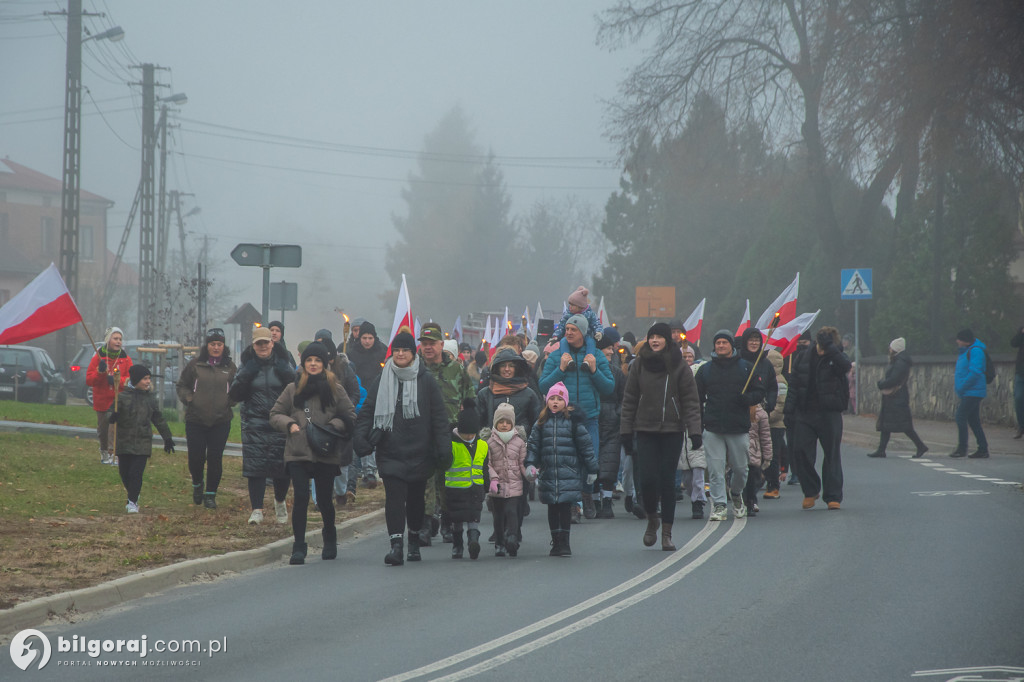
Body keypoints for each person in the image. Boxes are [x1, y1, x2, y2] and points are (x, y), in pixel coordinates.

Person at [354, 331, 449, 566]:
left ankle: (414, 539)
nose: (400, 354)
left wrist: (443, 448)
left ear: (412, 353)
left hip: (420, 451)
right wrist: (360, 438)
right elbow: (367, 411)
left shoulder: (425, 380)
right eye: (396, 351)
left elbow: (438, 417)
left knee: (416, 500)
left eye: (405, 350)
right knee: (394, 498)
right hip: (391, 450)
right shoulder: (382, 378)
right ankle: (396, 545)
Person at [270, 342, 357, 565]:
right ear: (303, 363)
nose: (313, 364)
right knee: (300, 498)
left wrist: (334, 426)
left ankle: (330, 539)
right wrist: (289, 424)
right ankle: (299, 546)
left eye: (317, 360)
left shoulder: (335, 388)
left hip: (325, 451)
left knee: (326, 501)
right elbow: (275, 413)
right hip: (298, 451)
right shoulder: (292, 388)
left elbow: (349, 414)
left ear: (325, 363)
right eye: (309, 360)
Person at [620, 322, 703, 549]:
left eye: (659, 337)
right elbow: (629, 400)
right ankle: (652, 518)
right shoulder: (639, 365)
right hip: (645, 429)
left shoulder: (679, 365)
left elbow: (691, 401)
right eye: (651, 337)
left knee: (667, 482)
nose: (655, 340)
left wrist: (695, 431)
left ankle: (667, 532)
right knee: (647, 480)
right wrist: (626, 431)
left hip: (671, 430)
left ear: (668, 340)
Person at [539, 314, 614, 522]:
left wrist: (594, 370)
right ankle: (573, 505)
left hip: (589, 418)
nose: (569, 332)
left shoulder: (596, 356)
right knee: (568, 463)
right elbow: (543, 386)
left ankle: (587, 494)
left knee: (590, 460)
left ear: (583, 332)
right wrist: (561, 369)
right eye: (567, 329)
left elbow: (609, 387)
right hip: (563, 419)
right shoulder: (556, 357)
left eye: (574, 329)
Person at [694, 330, 765, 521]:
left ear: (731, 345)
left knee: (741, 469)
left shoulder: (746, 368)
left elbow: (759, 392)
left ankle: (736, 494)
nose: (721, 346)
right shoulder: (705, 370)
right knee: (716, 471)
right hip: (713, 428)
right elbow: (696, 399)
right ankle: (719, 505)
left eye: (725, 342)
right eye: (718, 343)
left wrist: (747, 399)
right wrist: (699, 424)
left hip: (738, 427)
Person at [230, 326, 296, 525]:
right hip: (254, 423)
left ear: (272, 343)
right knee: (255, 468)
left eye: (266, 342)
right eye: (258, 343)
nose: (263, 347)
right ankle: (256, 510)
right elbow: (234, 396)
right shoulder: (246, 367)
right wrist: (245, 375)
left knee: (282, 468)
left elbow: (297, 392)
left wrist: (288, 373)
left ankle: (279, 502)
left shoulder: (284, 365)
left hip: (280, 422)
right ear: (253, 345)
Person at [524, 382, 598, 558]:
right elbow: (533, 446)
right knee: (552, 508)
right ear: (547, 402)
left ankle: (565, 541)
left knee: (564, 507)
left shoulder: (573, 424)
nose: (555, 402)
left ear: (566, 402)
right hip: (549, 473)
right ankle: (555, 540)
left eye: (559, 399)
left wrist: (592, 469)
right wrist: (530, 464)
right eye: (552, 399)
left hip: (568, 473)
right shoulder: (541, 423)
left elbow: (586, 447)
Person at [419, 323, 475, 544]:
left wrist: (468, 431)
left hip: (450, 433)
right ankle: (425, 524)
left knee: (447, 480)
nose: (428, 348)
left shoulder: (456, 369)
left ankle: (448, 524)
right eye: (424, 344)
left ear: (442, 344)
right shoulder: (416, 369)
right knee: (426, 481)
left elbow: (469, 399)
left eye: (432, 343)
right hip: (423, 432)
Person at [786, 326, 852, 510]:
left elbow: (845, 367)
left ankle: (833, 496)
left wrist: (830, 348)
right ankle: (811, 490)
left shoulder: (836, 356)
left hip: (829, 412)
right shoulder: (804, 356)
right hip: (805, 412)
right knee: (800, 451)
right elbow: (794, 383)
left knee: (831, 454)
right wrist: (789, 410)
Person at [177, 328, 237, 510]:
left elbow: (238, 388)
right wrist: (189, 399)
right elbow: (182, 385)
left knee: (215, 458)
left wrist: (231, 401)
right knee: (196, 458)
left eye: (219, 344)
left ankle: (210, 495)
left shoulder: (230, 367)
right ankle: (197, 484)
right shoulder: (195, 365)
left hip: (221, 420)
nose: (216, 347)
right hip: (196, 419)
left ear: (223, 346)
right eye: (213, 344)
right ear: (207, 345)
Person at [107, 365, 175, 513]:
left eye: (149, 379)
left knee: (136, 473)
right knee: (124, 473)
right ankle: (133, 494)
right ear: (136, 380)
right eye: (145, 379)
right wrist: (113, 417)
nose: (148, 382)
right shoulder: (122, 398)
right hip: (124, 441)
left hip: (143, 443)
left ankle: (132, 501)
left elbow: (158, 419)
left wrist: (167, 438)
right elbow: (110, 414)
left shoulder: (150, 399)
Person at [346, 320, 386, 502]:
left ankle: (372, 470)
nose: (367, 341)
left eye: (370, 337)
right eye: (364, 337)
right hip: (359, 397)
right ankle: (361, 469)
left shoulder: (382, 351)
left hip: (377, 394)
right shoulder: (352, 352)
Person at [867, 338, 928, 459]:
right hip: (895, 397)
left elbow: (894, 379)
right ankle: (881, 450)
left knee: (904, 425)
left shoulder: (900, 362)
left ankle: (920, 446)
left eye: (891, 348)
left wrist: (882, 384)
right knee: (886, 424)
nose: (889, 350)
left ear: (895, 349)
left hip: (897, 397)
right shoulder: (899, 360)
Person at [446, 399, 487, 560]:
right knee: (456, 518)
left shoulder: (483, 445)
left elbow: (485, 466)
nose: (469, 436)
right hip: (455, 489)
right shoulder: (452, 444)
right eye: (466, 433)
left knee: (473, 516)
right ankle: (457, 545)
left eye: (472, 433)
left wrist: (488, 483)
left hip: (476, 488)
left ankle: (473, 541)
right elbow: (444, 462)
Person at [86, 326, 133, 465]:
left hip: (118, 401)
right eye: (115, 338)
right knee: (103, 430)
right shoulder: (98, 357)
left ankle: (115, 454)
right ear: (108, 340)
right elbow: (89, 380)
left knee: (115, 429)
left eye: (120, 339)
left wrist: (119, 381)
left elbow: (131, 380)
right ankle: (104, 452)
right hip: (102, 400)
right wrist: (100, 373)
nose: (118, 342)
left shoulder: (126, 359)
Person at [486, 403, 528, 557]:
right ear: (495, 423)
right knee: (498, 516)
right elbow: (488, 463)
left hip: (514, 484)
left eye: (507, 422)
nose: (504, 425)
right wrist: (493, 479)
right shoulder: (489, 442)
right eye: (501, 422)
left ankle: (512, 538)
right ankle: (499, 543)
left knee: (512, 512)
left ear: (512, 423)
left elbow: (522, 463)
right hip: (496, 486)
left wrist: (529, 474)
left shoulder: (519, 442)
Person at [595, 330, 625, 518]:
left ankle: (607, 501)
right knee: (593, 463)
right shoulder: (586, 370)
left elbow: (624, 397)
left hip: (612, 423)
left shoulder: (617, 373)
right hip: (593, 419)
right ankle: (593, 501)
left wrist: (617, 413)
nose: (611, 351)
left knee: (610, 463)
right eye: (607, 348)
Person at [679, 346, 709, 518]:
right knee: (686, 474)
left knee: (698, 466)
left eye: (689, 355)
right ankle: (692, 494)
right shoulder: (675, 374)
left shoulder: (700, 369)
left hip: (696, 427)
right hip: (680, 428)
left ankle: (698, 501)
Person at [952, 328, 989, 458]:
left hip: (973, 391)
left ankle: (962, 448)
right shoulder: (967, 351)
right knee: (973, 420)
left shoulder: (975, 351)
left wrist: (962, 386)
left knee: (960, 416)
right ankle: (983, 448)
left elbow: (975, 372)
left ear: (965, 341)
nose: (957, 341)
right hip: (970, 391)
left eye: (959, 339)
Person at [762, 350, 789, 498]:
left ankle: (773, 486)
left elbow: (779, 406)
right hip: (766, 423)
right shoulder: (769, 379)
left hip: (775, 425)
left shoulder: (779, 381)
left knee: (772, 456)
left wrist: (764, 418)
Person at [551, 286, 601, 358]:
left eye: (573, 305)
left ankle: (589, 358)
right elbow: (561, 326)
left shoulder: (590, 314)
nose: (570, 307)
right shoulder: (567, 314)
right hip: (569, 337)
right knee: (563, 341)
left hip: (587, 335)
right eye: (570, 304)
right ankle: (566, 358)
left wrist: (599, 332)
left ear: (580, 306)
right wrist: (556, 336)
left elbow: (596, 324)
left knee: (591, 342)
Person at [743, 404, 772, 517]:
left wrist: (767, 457)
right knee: (739, 477)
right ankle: (742, 500)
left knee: (752, 478)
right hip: (738, 449)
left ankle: (750, 501)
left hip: (753, 452)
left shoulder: (760, 413)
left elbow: (765, 437)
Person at [1013, 326, 1024, 439]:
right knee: (1018, 398)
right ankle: (1021, 426)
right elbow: (1013, 343)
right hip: (1021, 372)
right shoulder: (1022, 330)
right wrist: (1021, 333)